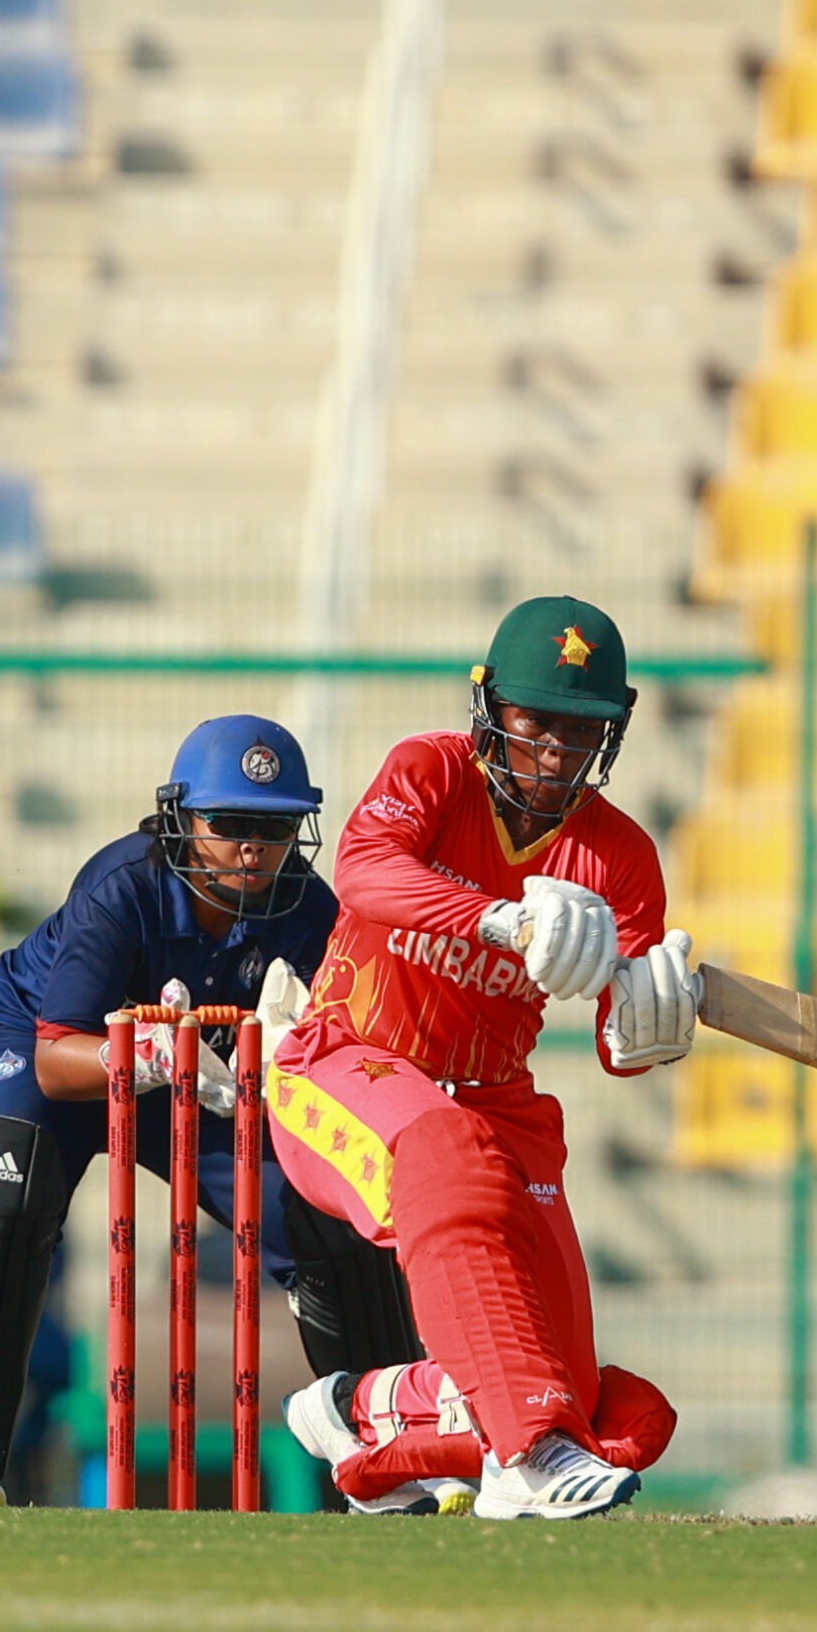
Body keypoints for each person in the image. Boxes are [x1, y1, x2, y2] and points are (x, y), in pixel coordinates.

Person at [0, 716, 425, 1510]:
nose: (254, 847)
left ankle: (395, 1446)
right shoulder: (121, 888)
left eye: (276, 826)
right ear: (182, 819)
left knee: (322, 1208)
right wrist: (138, 1057)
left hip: (204, 1075)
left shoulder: (309, 910)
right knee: (2, 1190)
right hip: (58, 1056)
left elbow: (340, 1047)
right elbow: (54, 1055)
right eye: (233, 824)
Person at [272, 596, 688, 1520]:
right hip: (348, 1062)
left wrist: (645, 1029)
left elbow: (628, 1029)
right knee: (446, 1156)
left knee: (605, 1411)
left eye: (579, 732)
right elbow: (364, 871)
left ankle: (357, 1416)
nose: (551, 752)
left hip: (497, 1102)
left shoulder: (619, 855)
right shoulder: (431, 770)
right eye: (534, 722)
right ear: (488, 705)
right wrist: (500, 918)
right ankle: (532, 1456)